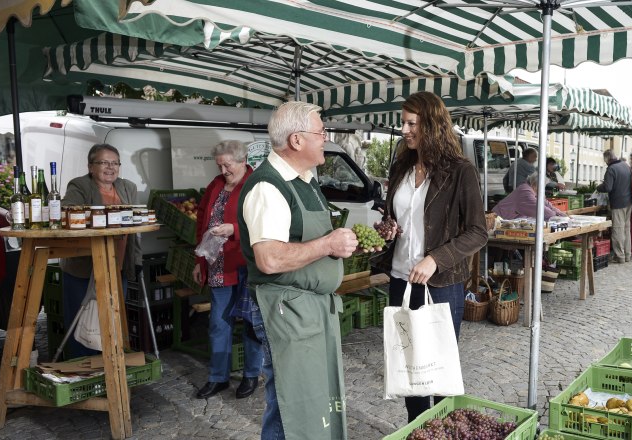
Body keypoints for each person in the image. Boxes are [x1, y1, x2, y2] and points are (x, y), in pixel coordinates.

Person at [239, 101, 358, 439]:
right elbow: (270, 259)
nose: (325, 138)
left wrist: (342, 244)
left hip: (309, 308)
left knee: (314, 397)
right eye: (320, 132)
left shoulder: (305, 179)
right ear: (296, 140)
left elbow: (310, 241)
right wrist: (328, 245)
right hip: (286, 308)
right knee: (290, 402)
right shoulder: (268, 187)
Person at [371, 91, 488, 422]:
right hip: (400, 281)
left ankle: (440, 428)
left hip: (440, 284)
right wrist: (389, 228)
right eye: (403, 123)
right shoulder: (401, 169)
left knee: (437, 373)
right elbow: (401, 217)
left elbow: (478, 231)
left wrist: (436, 258)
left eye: (411, 124)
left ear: (432, 125)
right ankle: (418, 429)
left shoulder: (460, 171)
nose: (405, 130)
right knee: (411, 373)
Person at [192, 140, 264, 400]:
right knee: (218, 324)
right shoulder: (215, 185)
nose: (223, 170)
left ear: (243, 160)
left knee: (251, 324)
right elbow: (202, 220)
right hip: (218, 266)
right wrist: (200, 262)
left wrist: (234, 229)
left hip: (249, 265)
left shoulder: (258, 185)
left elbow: (264, 222)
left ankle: (251, 375)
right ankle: (218, 378)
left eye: (227, 165)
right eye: (219, 165)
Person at [61, 143, 141, 358]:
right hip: (84, 269)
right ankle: (83, 372)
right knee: (82, 323)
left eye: (115, 163)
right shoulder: (79, 186)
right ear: (90, 166)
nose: (110, 167)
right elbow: (68, 211)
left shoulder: (128, 187)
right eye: (104, 162)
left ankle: (110, 369)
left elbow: (136, 228)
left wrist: (136, 260)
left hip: (117, 268)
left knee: (112, 322)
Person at [596, 150, 632, 264]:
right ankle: (627, 254)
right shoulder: (626, 166)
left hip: (618, 203)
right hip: (629, 201)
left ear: (607, 159)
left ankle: (619, 256)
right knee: (626, 229)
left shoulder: (611, 169)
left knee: (617, 229)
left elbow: (608, 187)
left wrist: (599, 187)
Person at [492, 172, 568, 220]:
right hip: (499, 219)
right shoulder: (525, 191)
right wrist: (556, 217)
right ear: (535, 185)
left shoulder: (532, 190)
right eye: (543, 186)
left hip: (509, 219)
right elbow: (541, 210)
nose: (543, 189)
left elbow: (547, 204)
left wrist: (562, 215)